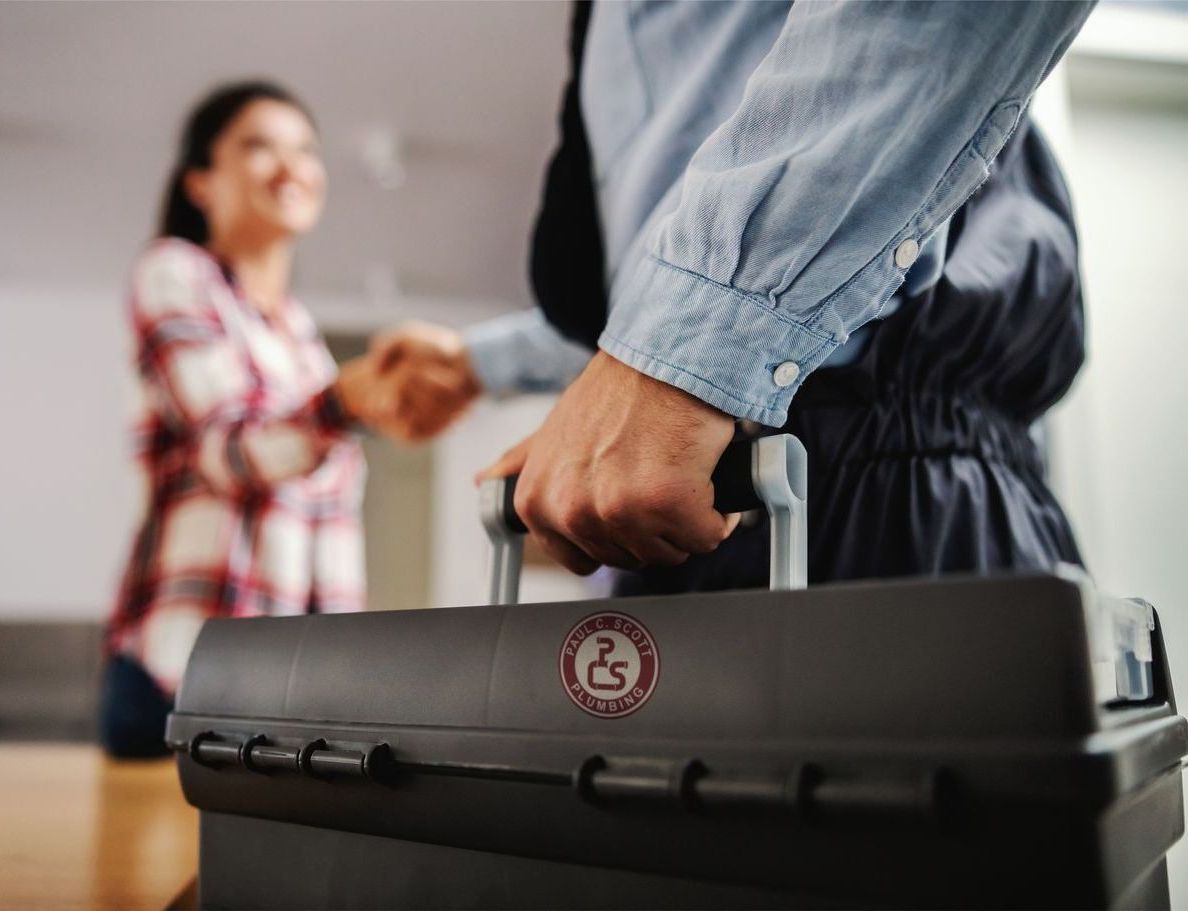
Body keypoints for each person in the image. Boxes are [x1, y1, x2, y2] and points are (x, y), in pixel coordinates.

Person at [376, 1, 1095, 594]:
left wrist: (671, 362)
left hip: (886, 489)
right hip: (689, 511)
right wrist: (483, 362)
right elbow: (665, 276)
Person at [101, 82, 402, 757]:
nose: (292, 166)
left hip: (289, 688)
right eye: (259, 146)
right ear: (201, 181)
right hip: (184, 676)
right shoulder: (174, 273)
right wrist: (348, 403)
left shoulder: (299, 333)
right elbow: (229, 452)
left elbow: (325, 520)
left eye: (305, 148)